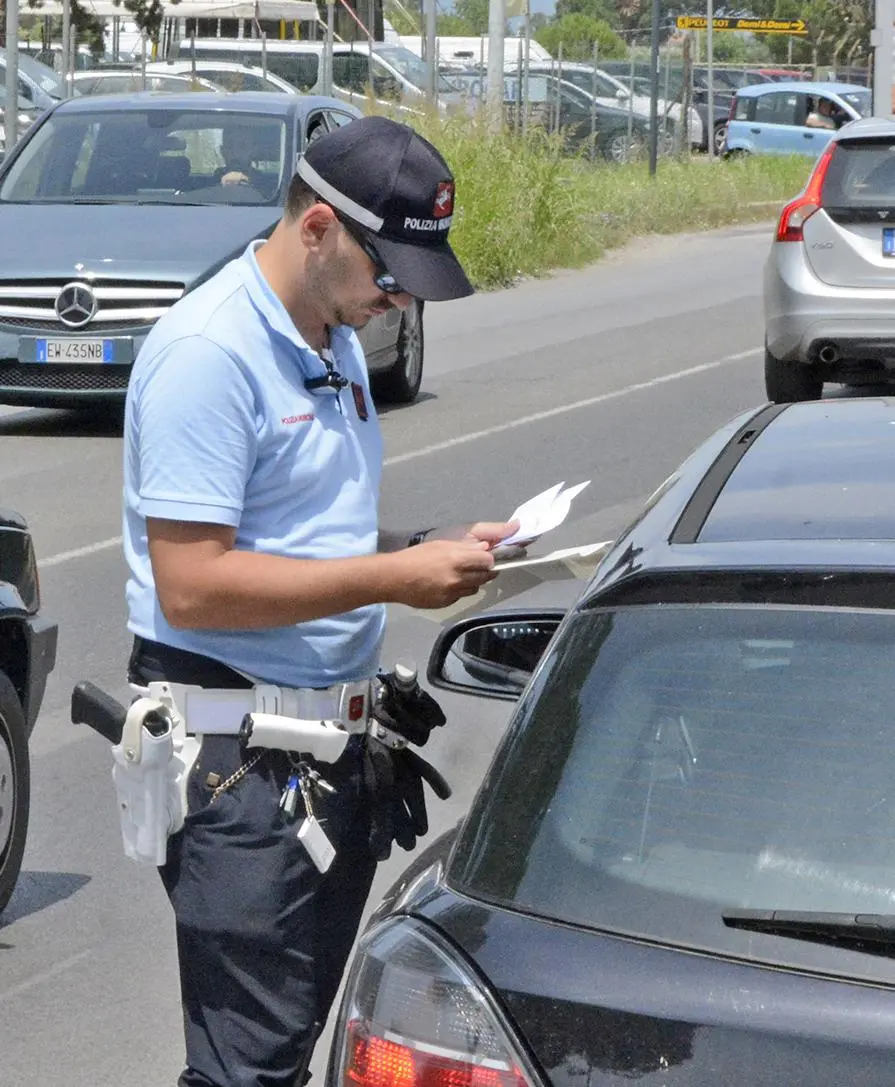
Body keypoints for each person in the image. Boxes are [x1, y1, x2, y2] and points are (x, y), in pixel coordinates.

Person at [122, 114, 518, 1087]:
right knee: (247, 1066)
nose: (393, 298)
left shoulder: (331, 335)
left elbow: (307, 536)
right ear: (315, 229)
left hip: (324, 756)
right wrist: (392, 579)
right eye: (385, 272)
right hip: (236, 767)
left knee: (283, 1049)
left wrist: (424, 549)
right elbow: (195, 583)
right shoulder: (209, 355)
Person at [216, 122, 265, 187]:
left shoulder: (267, 185)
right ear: (222, 151)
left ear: (253, 151)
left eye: (243, 147)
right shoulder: (210, 183)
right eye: (230, 146)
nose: (236, 153)